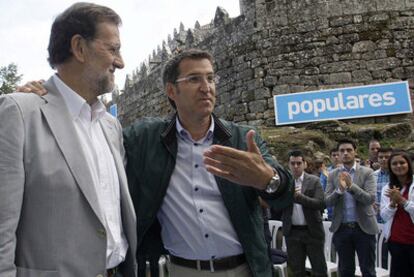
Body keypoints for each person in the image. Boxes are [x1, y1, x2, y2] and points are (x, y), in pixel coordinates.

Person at [124, 49, 293, 277]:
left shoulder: (242, 138)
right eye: (194, 79)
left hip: (245, 269)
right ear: (172, 90)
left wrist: (268, 180)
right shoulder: (146, 140)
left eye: (211, 78)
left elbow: (285, 191)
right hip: (182, 270)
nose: (207, 88)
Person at [0, 3, 137, 277]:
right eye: (113, 49)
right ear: (79, 48)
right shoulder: (19, 113)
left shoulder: (111, 127)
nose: (120, 62)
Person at [325, 139, 378, 277]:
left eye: (349, 150)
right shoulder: (332, 174)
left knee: (368, 270)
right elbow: (327, 202)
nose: (345, 153)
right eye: (342, 151)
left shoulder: (367, 172)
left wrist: (351, 186)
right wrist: (339, 191)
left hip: (364, 228)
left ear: (355, 152)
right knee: (346, 270)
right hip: (341, 228)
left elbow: (370, 199)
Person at [281, 150, 327, 277]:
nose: (296, 166)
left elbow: (320, 203)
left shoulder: (314, 181)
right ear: (288, 165)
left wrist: (299, 197)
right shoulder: (284, 182)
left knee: (319, 269)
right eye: (293, 163)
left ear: (305, 164)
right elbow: (277, 206)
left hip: (312, 230)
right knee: (296, 271)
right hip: (292, 231)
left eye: (299, 163)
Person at [380, 151, 414, 277]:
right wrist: (393, 203)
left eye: (402, 162)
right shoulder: (387, 188)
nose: (398, 166)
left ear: (409, 164)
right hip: (396, 241)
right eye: (394, 164)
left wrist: (402, 201)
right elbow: (384, 215)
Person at [374, 147, 392, 223]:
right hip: (375, 218)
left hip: (392, 217)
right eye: (381, 157)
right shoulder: (372, 176)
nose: (383, 159)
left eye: (387, 157)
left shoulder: (398, 176)